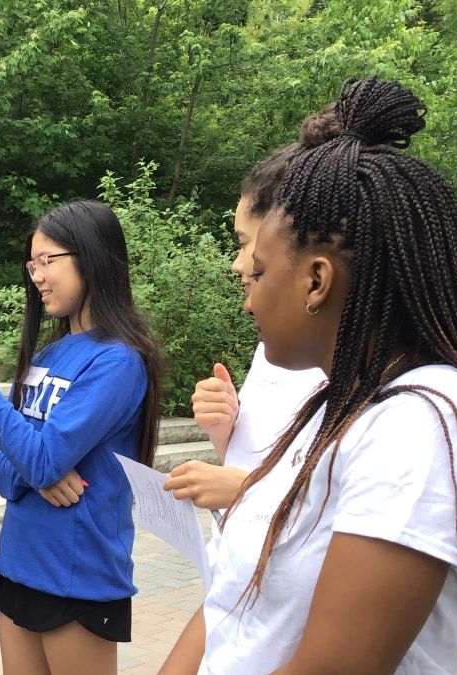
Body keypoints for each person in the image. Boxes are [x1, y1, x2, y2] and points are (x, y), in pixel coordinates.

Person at [161, 77, 457, 674]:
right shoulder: (337, 407)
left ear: (316, 281)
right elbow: (233, 605)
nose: (246, 297)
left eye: (258, 271)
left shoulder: (424, 428)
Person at [0, 200, 163, 675]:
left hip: (77, 576)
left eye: (48, 261)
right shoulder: (52, 353)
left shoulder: (117, 361)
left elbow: (34, 453)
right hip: (21, 562)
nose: (36, 275)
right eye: (32, 263)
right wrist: (36, 473)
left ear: (92, 257)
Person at [163, 108, 338, 510]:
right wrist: (225, 427)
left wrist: (246, 492)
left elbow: (342, 514)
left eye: (245, 245)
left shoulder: (397, 400)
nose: (238, 265)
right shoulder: (277, 347)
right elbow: (247, 464)